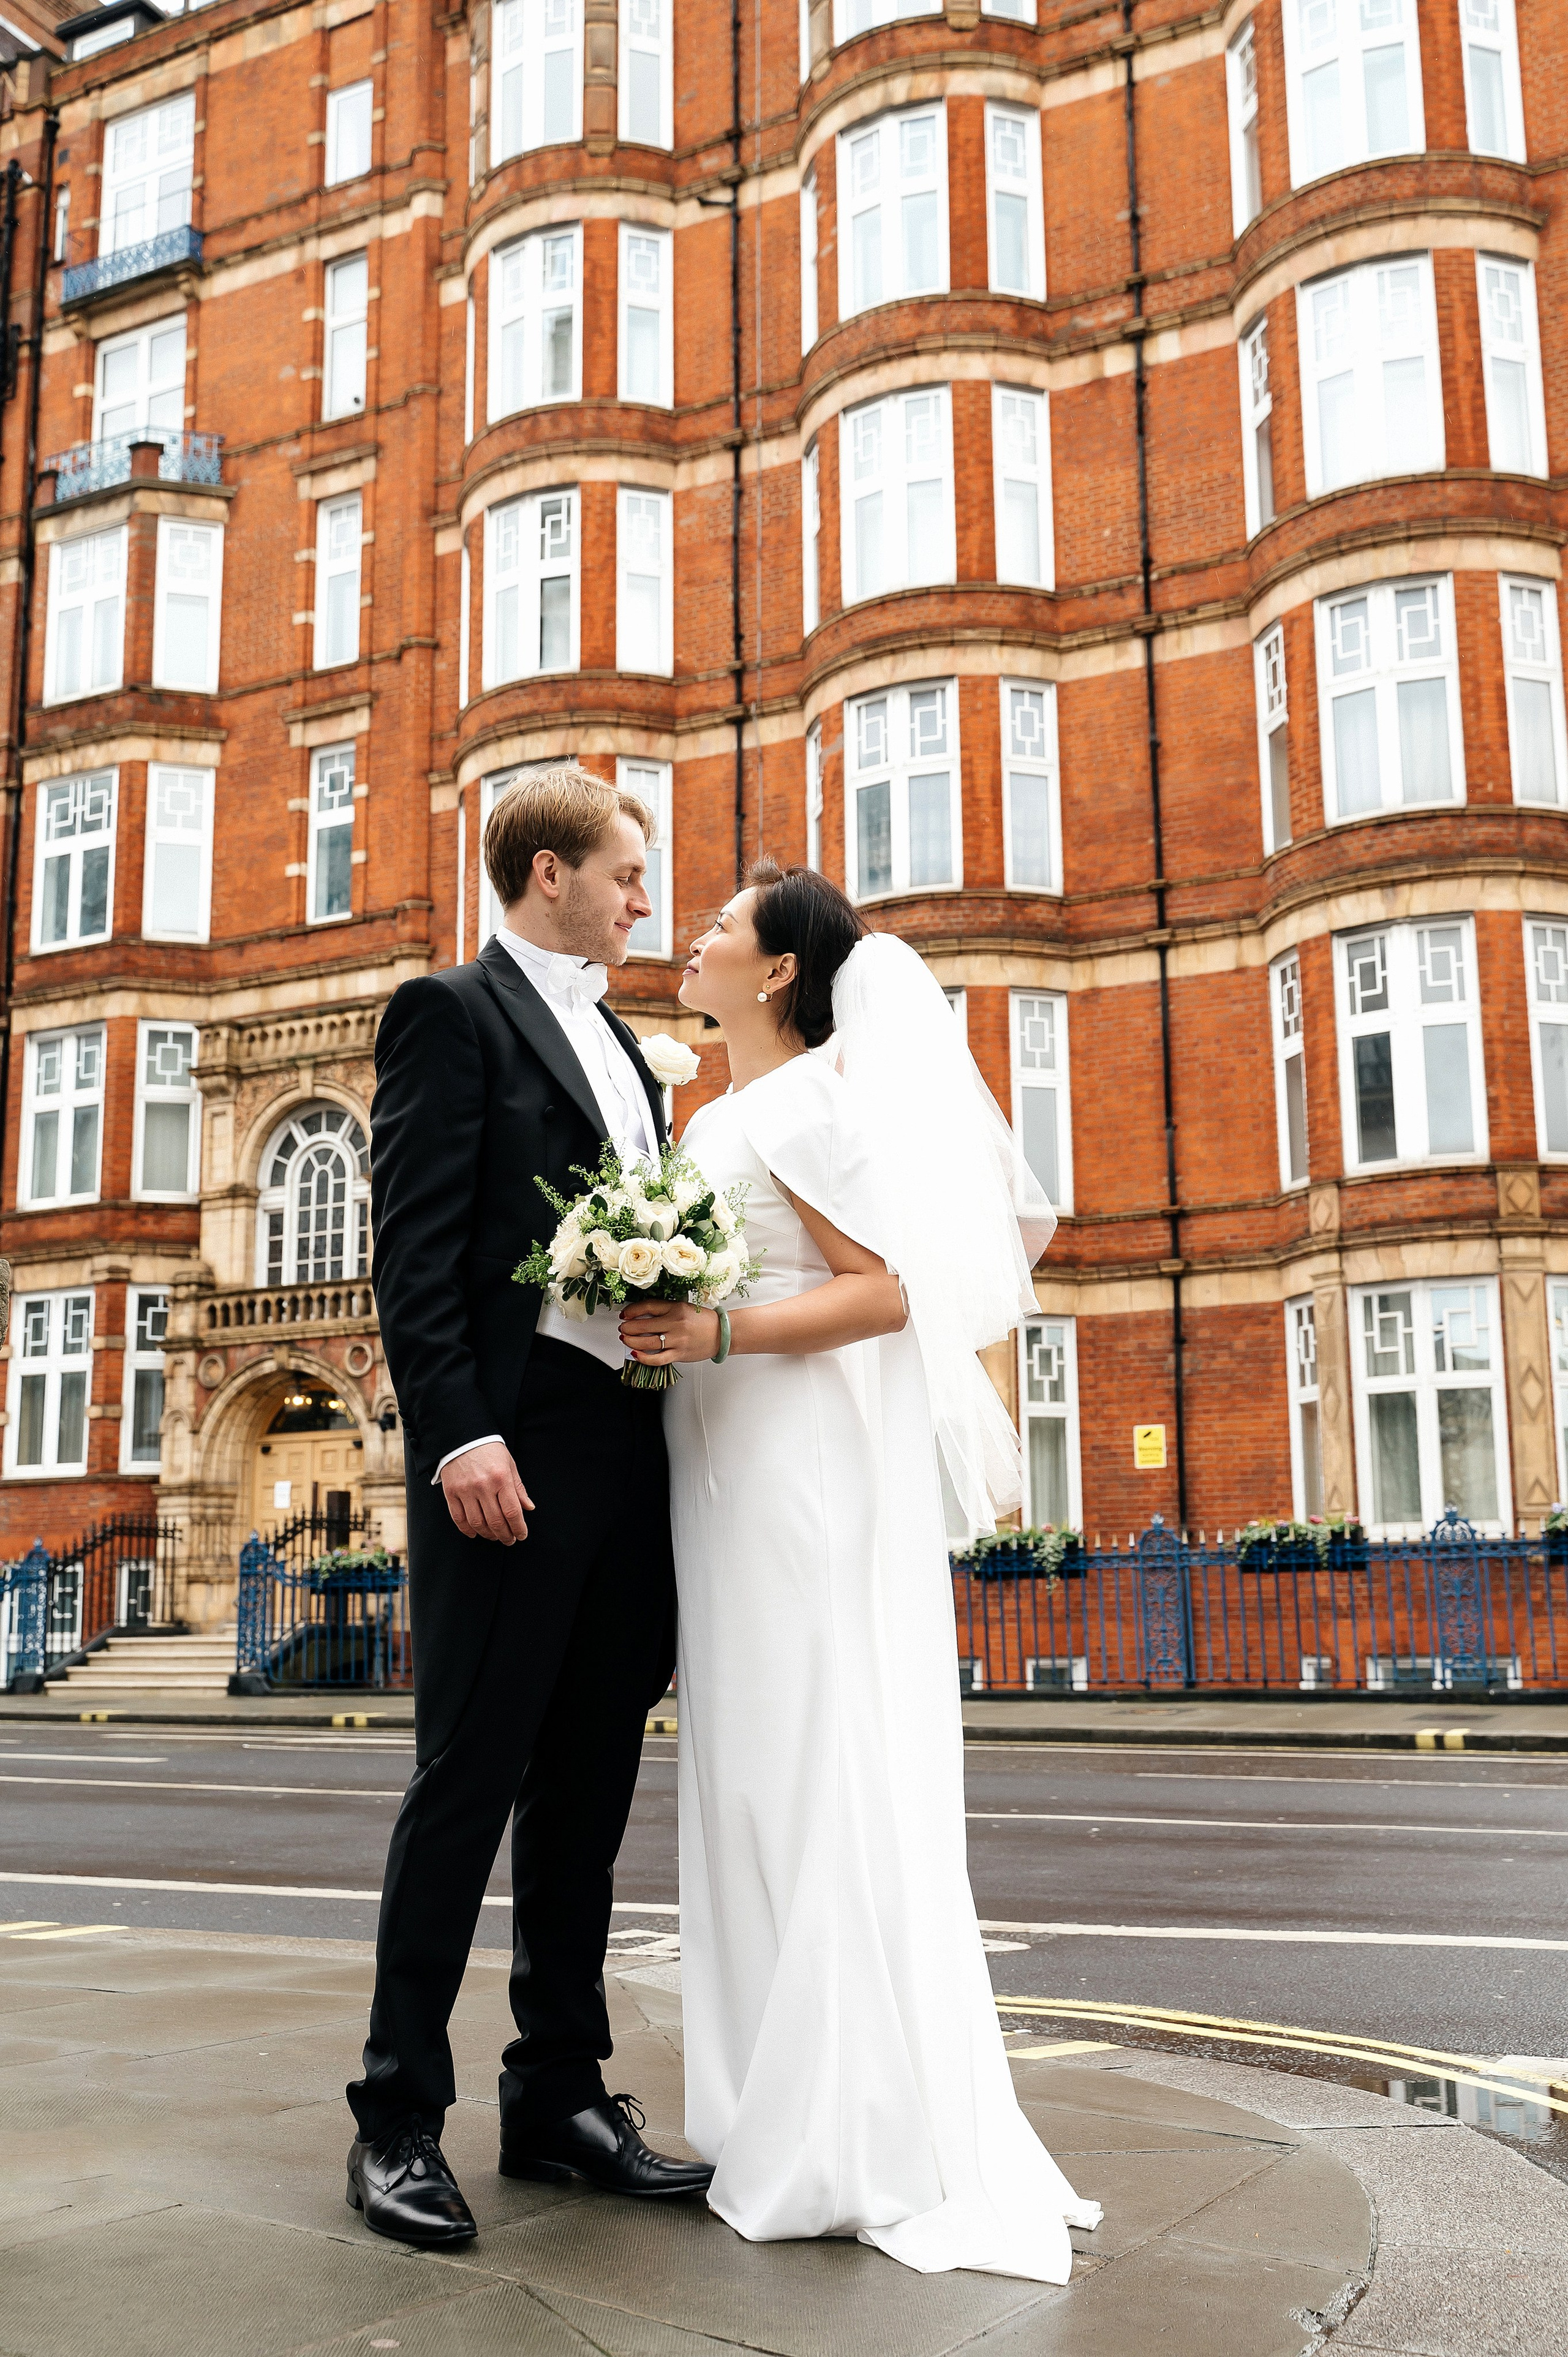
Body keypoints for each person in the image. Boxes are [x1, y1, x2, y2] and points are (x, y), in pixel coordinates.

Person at [619, 864, 1102, 2280]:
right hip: (724, 1464)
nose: (693, 938)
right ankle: (782, 2098)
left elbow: (887, 1289)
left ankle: (849, 2129)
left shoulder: (815, 1099)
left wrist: (712, 1340)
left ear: (773, 973)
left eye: (718, 928)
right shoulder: (718, 1108)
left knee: (817, 1754)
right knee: (753, 1765)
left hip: (796, 1465)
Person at [345, 764, 714, 2246]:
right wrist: (456, 1438)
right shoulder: (452, 1012)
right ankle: (392, 2118)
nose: (643, 899)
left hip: (629, 1459)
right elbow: (413, 1253)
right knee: (465, 1782)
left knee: (587, 1789)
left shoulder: (629, 1045)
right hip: (505, 1456)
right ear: (548, 872)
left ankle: (556, 2093)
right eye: (627, 873)